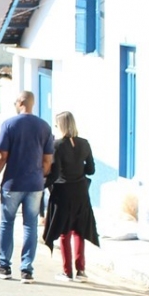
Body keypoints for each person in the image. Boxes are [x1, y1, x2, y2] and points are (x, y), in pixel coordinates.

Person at [0, 91, 54, 284]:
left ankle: (4, 265)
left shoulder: (9, 124)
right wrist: (39, 175)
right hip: (34, 184)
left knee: (7, 223)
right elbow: (48, 160)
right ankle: (26, 270)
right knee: (30, 225)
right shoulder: (44, 126)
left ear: (20, 103)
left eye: (15, 101)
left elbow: (1, 155)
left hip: (13, 183)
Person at [43, 111, 99, 282]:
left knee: (63, 231)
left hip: (62, 192)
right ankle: (81, 270)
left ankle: (67, 272)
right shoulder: (85, 144)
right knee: (79, 230)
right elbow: (91, 170)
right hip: (81, 192)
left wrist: (42, 185)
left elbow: (55, 173)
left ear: (60, 126)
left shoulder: (57, 145)